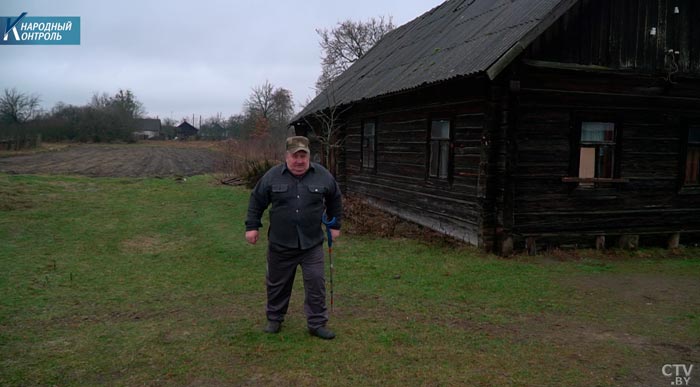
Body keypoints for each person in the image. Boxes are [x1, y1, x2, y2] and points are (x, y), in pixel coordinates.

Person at [245, 136, 342, 340]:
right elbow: (257, 200)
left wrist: (335, 224)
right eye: (294, 156)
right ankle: (275, 319)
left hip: (312, 243)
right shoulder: (272, 177)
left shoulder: (322, 176)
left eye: (303, 156)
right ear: (286, 156)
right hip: (281, 243)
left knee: (316, 282)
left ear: (308, 156)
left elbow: (335, 198)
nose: (299, 161)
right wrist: (252, 227)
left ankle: (317, 324)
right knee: (277, 283)